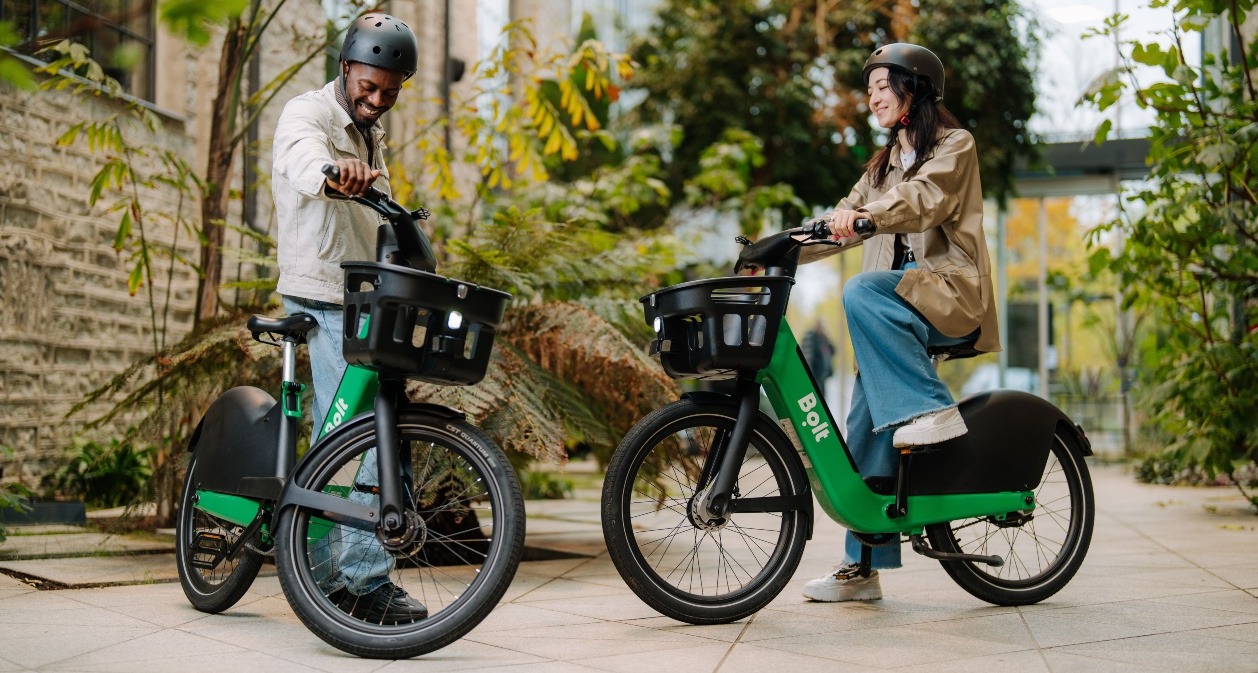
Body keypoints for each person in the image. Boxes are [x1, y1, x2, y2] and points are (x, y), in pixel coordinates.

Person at [798, 43, 1001, 602]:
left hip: (948, 294)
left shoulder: (955, 146)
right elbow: (838, 219)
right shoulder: (881, 167)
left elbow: (925, 198)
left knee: (861, 289)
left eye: (883, 86)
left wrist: (866, 217)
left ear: (915, 88)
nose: (873, 98)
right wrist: (776, 252)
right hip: (897, 311)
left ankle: (930, 409)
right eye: (869, 91)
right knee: (864, 426)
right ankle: (863, 567)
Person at [271, 12, 428, 624]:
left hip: (361, 297)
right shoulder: (306, 114)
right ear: (345, 68)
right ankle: (360, 581)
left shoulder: (371, 131)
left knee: (360, 430)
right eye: (370, 86)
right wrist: (334, 174)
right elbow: (302, 162)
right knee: (360, 433)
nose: (378, 99)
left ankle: (316, 570)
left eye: (390, 91)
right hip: (319, 294)